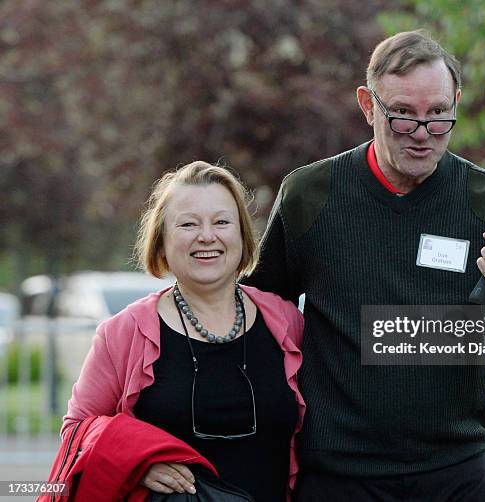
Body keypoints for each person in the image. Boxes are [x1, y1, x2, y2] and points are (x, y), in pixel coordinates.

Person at [245, 30, 485, 501]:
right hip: (340, 476)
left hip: (457, 471)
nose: (422, 134)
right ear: (368, 106)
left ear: (456, 102)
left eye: (437, 115)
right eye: (403, 115)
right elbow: (258, 318)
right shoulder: (310, 194)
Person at [63, 161, 305, 501]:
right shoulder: (124, 333)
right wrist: (135, 462)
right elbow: (76, 432)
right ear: (161, 242)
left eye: (221, 222)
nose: (207, 236)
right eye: (188, 224)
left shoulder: (286, 322)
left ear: (242, 236)